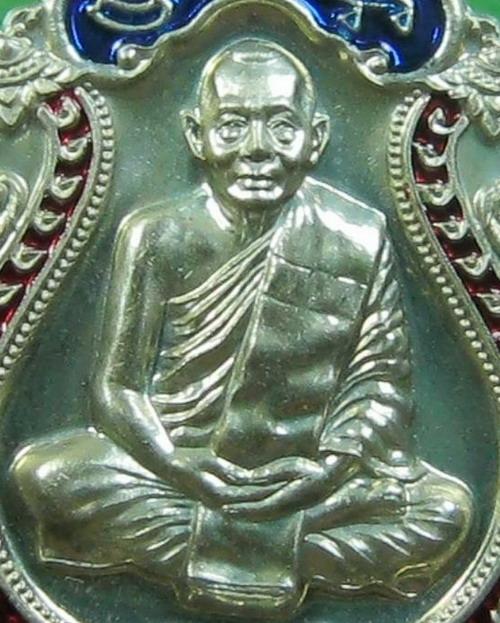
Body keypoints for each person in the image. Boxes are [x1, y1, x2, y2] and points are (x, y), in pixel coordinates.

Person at [11, 39, 473, 619]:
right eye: (232, 126)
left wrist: (326, 472)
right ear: (195, 135)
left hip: (308, 480)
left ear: (316, 139)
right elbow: (117, 388)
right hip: (175, 472)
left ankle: (225, 544)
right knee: (45, 477)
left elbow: (380, 385)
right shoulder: (156, 234)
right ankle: (283, 548)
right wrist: (177, 463)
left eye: (281, 127)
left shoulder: (358, 235)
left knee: (445, 510)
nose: (257, 149)